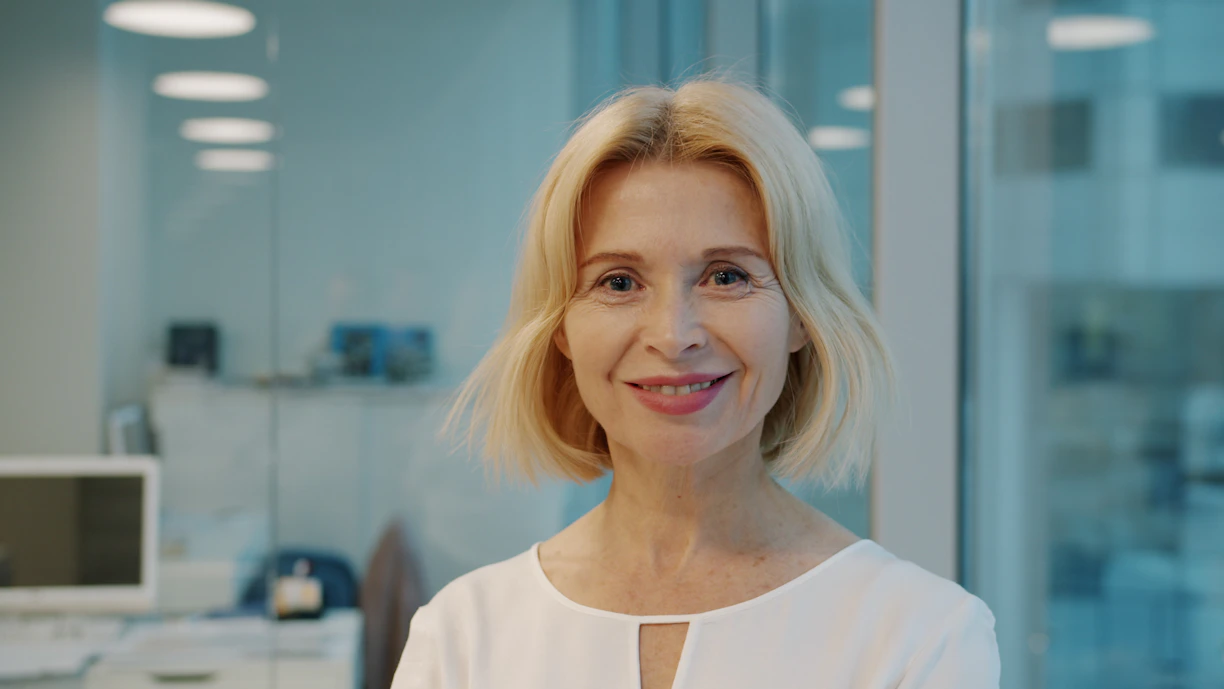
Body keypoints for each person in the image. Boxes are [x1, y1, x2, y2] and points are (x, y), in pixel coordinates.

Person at [391, 78, 1000, 689]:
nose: (673, 335)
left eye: (726, 276)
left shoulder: (921, 638)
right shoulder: (461, 639)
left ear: (802, 317)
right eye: (619, 282)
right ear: (561, 330)